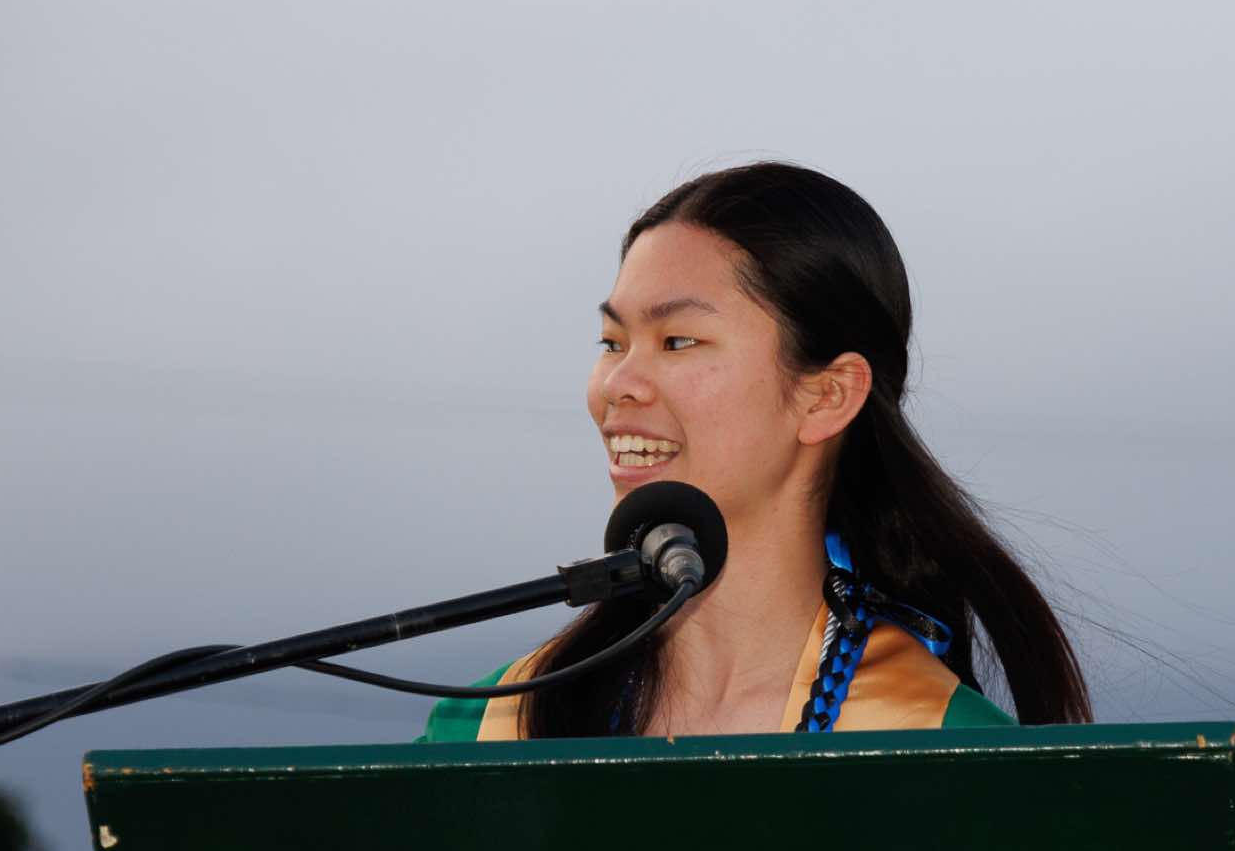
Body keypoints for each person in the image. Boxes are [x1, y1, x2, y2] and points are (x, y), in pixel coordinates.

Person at [421, 162, 1091, 741]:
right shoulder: (484, 728)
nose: (617, 385)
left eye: (678, 341)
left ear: (827, 395)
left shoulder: (938, 747)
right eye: (611, 343)